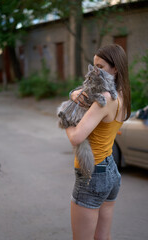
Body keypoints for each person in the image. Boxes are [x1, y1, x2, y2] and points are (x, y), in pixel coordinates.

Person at [66, 44, 131, 240]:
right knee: (103, 237)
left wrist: (65, 121)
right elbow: (82, 93)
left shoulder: (105, 98)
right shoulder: (122, 95)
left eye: (101, 67)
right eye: (94, 66)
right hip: (110, 171)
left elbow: (76, 137)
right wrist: (73, 94)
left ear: (116, 68)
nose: (95, 71)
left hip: (92, 175)